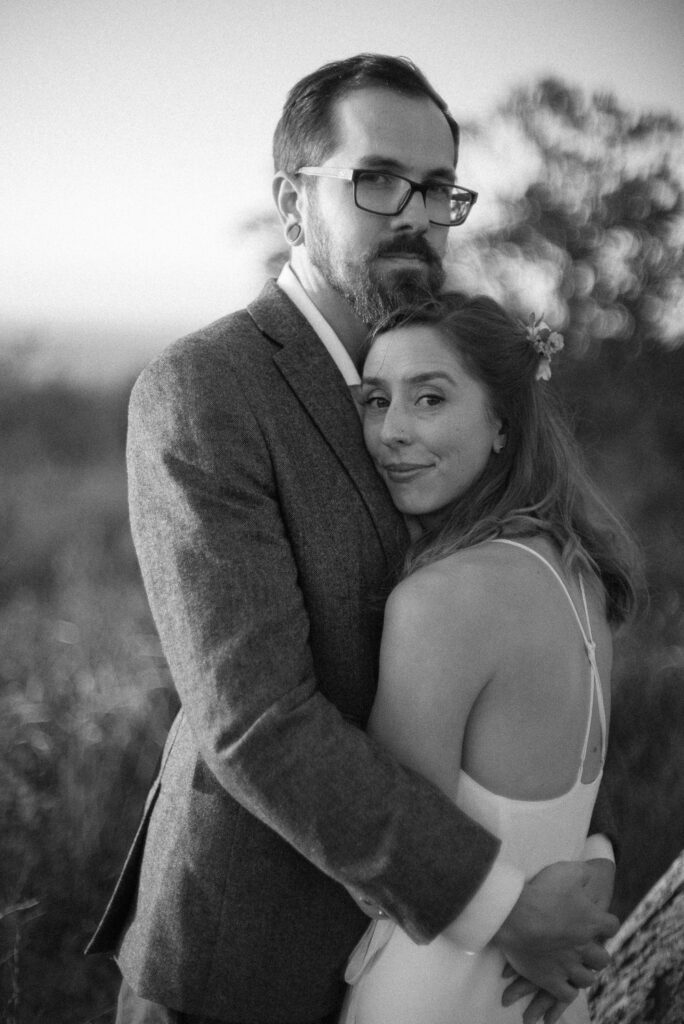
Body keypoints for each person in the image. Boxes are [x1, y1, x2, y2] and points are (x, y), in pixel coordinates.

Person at [87, 54, 620, 1024]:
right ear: (293, 207)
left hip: (419, 976)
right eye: (377, 180)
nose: (414, 213)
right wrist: (504, 901)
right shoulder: (207, 388)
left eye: (436, 189)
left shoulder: (442, 375)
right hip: (240, 961)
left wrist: (574, 854)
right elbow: (255, 720)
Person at [339, 294, 639, 1024]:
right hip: (543, 995)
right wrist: (598, 857)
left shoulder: (441, 600)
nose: (391, 434)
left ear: (503, 420)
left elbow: (391, 858)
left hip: (432, 989)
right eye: (377, 401)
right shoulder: (579, 573)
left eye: (430, 398)